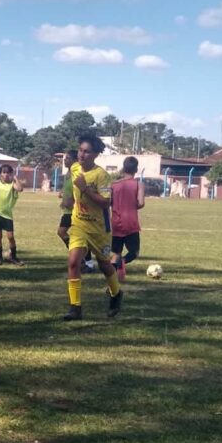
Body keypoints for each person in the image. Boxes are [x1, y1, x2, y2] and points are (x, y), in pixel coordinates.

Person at [63, 133, 123, 321]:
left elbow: (106, 202)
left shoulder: (101, 175)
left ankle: (116, 293)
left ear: (96, 154)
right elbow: (71, 182)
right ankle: (75, 308)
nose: (82, 154)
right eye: (80, 150)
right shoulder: (74, 168)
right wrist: (69, 197)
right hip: (79, 224)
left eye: (87, 152)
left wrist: (85, 189)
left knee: (105, 265)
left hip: (99, 228)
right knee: (73, 262)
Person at [109, 156, 146, 281]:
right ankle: (123, 261)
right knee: (134, 252)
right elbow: (141, 203)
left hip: (116, 222)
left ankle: (112, 276)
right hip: (131, 222)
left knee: (116, 253)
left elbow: (109, 202)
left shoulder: (114, 185)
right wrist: (131, 205)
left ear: (123, 168)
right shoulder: (138, 184)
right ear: (136, 169)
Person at [57, 149, 77, 248]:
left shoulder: (75, 175)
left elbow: (77, 190)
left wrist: (72, 201)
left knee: (61, 232)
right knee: (62, 232)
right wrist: (63, 197)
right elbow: (68, 188)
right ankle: (78, 253)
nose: (65, 160)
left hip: (74, 211)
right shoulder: (67, 174)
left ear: (75, 160)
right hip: (67, 210)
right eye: (65, 158)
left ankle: (76, 252)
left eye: (68, 158)